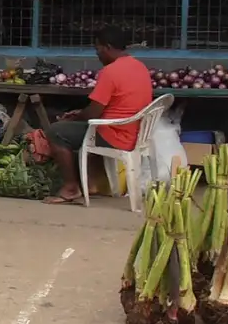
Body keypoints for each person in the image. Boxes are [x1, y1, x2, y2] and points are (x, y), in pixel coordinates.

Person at [44, 25, 154, 205]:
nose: (97, 54)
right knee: (82, 128)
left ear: (108, 47)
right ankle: (91, 184)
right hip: (134, 132)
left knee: (56, 131)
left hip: (115, 135)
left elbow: (93, 113)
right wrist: (81, 114)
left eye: (98, 48)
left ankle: (71, 187)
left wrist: (74, 117)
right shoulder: (140, 67)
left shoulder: (110, 72)